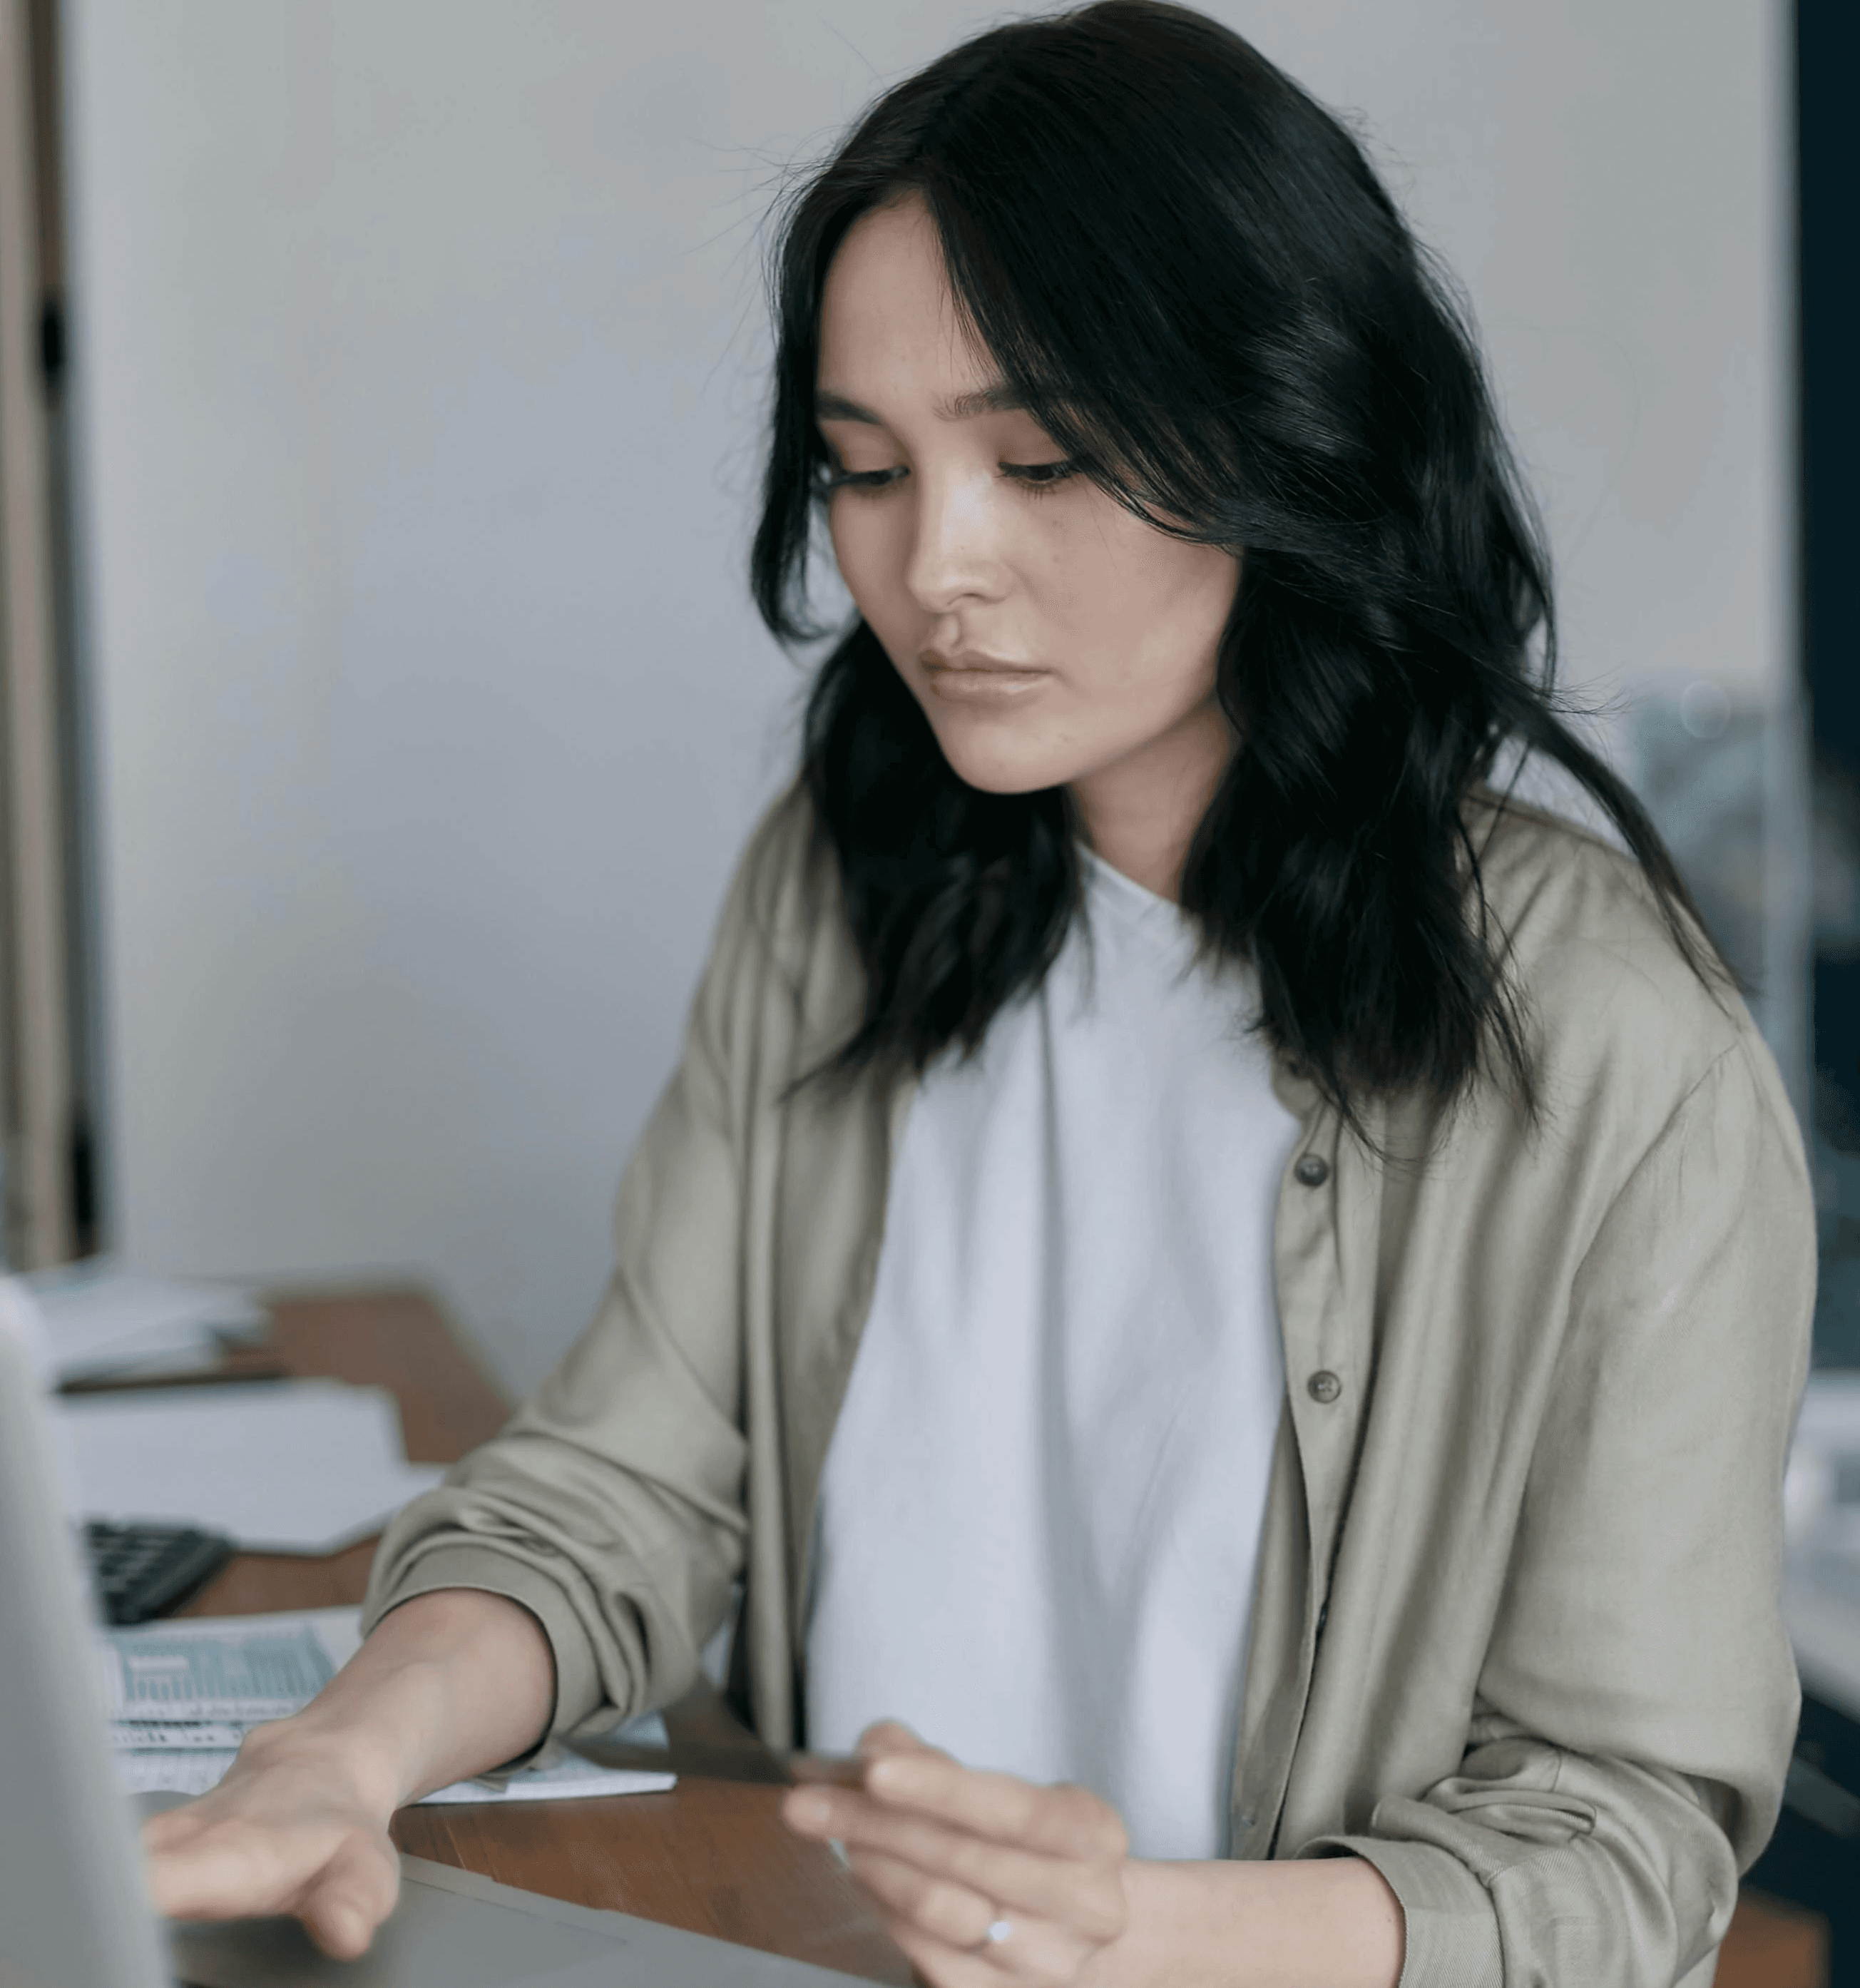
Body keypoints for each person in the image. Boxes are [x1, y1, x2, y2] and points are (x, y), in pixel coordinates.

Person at [143, 5, 1816, 1983]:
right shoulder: (846, 885)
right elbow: (629, 1480)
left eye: (1043, 459)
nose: (936, 563)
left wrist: (1140, 1941)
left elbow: (1620, 1849)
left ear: (1287, 433)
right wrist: (343, 1750)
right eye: (863, 468)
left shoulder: (1623, 1059)